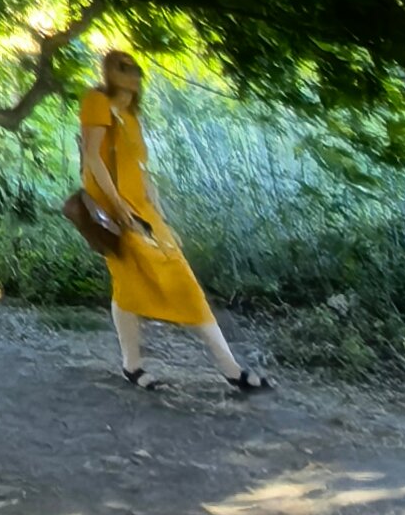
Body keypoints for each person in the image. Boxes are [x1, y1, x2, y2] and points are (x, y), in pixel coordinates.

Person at [79, 48, 269, 393]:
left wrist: (159, 213)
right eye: (122, 67)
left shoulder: (131, 116)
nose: (132, 74)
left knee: (155, 281)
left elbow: (139, 168)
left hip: (142, 211)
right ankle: (225, 369)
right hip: (115, 212)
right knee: (139, 282)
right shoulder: (97, 101)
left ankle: (142, 366)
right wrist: (119, 207)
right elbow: (93, 158)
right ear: (108, 72)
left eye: (135, 68)